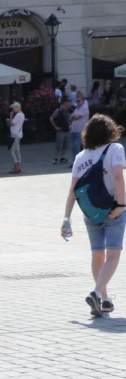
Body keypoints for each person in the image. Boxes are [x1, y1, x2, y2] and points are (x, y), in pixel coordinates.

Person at [62, 114, 126, 317]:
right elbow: (117, 176)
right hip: (113, 208)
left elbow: (72, 191)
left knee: (97, 254)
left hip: (91, 211)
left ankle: (105, 300)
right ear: (110, 131)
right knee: (113, 255)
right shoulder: (115, 149)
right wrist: (123, 204)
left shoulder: (81, 156)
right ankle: (97, 292)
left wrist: (66, 219)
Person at [51, 100, 73, 164]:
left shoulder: (69, 110)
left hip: (67, 130)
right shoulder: (59, 110)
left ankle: (62, 157)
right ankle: (56, 158)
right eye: (68, 102)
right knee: (59, 145)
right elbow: (51, 118)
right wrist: (55, 127)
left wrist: (70, 125)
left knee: (65, 145)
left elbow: (71, 118)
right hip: (61, 131)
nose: (69, 103)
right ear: (64, 103)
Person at [8, 102, 25, 174]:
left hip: (15, 134)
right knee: (17, 150)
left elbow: (11, 124)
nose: (13, 110)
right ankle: (19, 166)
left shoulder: (18, 115)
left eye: (14, 108)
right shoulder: (22, 114)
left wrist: (11, 116)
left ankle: (16, 166)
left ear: (17, 107)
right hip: (19, 133)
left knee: (12, 150)